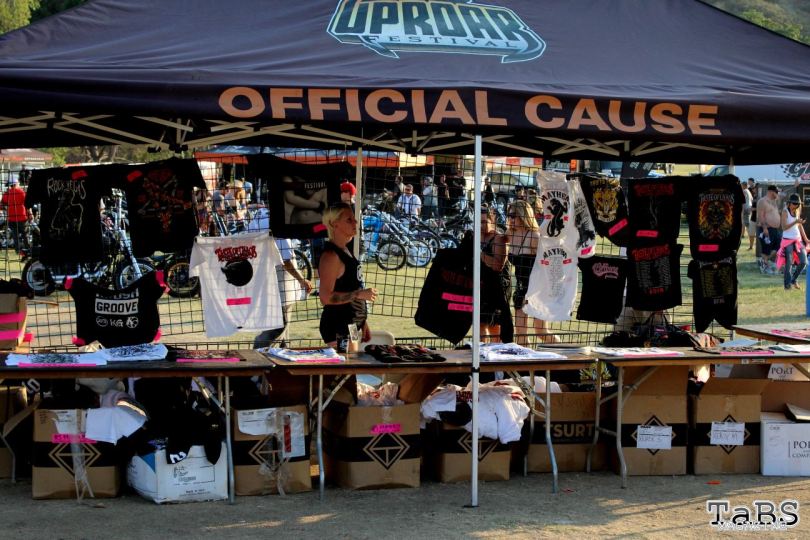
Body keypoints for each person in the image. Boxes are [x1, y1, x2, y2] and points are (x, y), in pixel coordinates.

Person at [318, 203, 377, 349]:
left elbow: (350, 285)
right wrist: (359, 294)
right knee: (346, 363)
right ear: (334, 224)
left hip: (352, 324)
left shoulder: (345, 250)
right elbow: (325, 298)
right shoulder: (331, 256)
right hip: (339, 327)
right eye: (349, 219)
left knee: (353, 361)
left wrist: (362, 321)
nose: (355, 222)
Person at [506, 200, 559, 345]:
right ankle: (526, 359)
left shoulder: (534, 236)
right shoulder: (509, 234)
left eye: (513, 215)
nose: (510, 218)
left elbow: (547, 265)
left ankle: (562, 350)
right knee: (520, 335)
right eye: (509, 215)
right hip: (521, 288)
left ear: (523, 215)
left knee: (541, 332)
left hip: (538, 288)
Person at [479, 204, 510, 342]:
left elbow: (498, 266)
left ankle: (495, 352)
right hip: (481, 286)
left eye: (484, 222)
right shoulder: (475, 236)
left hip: (497, 287)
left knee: (494, 327)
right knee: (479, 323)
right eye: (478, 222)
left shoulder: (499, 238)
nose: (481, 225)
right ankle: (480, 352)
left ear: (492, 220)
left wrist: (480, 253)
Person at [778, 193, 809, 291]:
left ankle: (793, 279)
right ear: (789, 203)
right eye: (794, 204)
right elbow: (784, 227)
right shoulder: (785, 211)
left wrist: (806, 239)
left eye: (798, 204)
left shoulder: (797, 210)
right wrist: (795, 222)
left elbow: (800, 226)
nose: (796, 206)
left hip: (797, 239)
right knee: (789, 264)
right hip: (787, 241)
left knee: (804, 261)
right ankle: (787, 286)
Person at [757, 184, 782, 274]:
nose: (777, 194)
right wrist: (764, 228)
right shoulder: (762, 201)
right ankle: (765, 266)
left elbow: (781, 197)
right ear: (771, 192)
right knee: (766, 249)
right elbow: (761, 216)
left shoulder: (774, 201)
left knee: (779, 246)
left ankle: (764, 261)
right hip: (766, 228)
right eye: (776, 192)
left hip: (775, 229)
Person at [1, 176, 29, 250]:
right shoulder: (21, 192)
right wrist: (30, 214)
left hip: (11, 218)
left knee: (15, 236)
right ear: (16, 183)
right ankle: (28, 249)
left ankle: (18, 250)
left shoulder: (6, 194)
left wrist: (8, 208)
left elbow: (1, 205)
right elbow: (28, 204)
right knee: (25, 235)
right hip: (22, 217)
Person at [747, 178, 758, 250]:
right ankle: (751, 246)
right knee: (751, 233)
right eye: (753, 189)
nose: (753, 190)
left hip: (759, 218)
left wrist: (754, 209)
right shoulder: (754, 196)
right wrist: (751, 208)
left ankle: (758, 247)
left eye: (754, 189)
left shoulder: (761, 197)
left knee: (758, 234)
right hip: (753, 217)